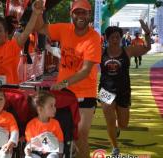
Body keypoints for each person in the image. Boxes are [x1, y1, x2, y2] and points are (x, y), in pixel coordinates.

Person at [35, 0, 101, 157]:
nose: (80, 16)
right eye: (77, 12)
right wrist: (37, 12)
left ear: (89, 15)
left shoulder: (94, 38)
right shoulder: (64, 29)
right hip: (64, 93)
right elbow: (40, 28)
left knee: (81, 137)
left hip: (85, 93)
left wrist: (63, 83)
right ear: (71, 14)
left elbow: (85, 71)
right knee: (59, 136)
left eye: (84, 12)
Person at [98, 20, 151, 156]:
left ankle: (117, 128)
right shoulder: (101, 52)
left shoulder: (127, 51)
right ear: (107, 39)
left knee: (123, 124)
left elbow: (147, 48)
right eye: (112, 37)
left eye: (117, 37)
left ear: (120, 38)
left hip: (123, 91)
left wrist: (147, 32)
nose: (115, 40)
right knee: (109, 120)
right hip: (105, 90)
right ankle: (115, 148)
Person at [24, 91, 64, 158]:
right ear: (40, 109)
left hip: (51, 152)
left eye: (54, 105)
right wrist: (27, 149)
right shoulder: (31, 125)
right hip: (35, 152)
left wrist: (60, 153)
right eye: (51, 106)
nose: (55, 108)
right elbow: (29, 143)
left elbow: (60, 141)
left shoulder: (55, 124)